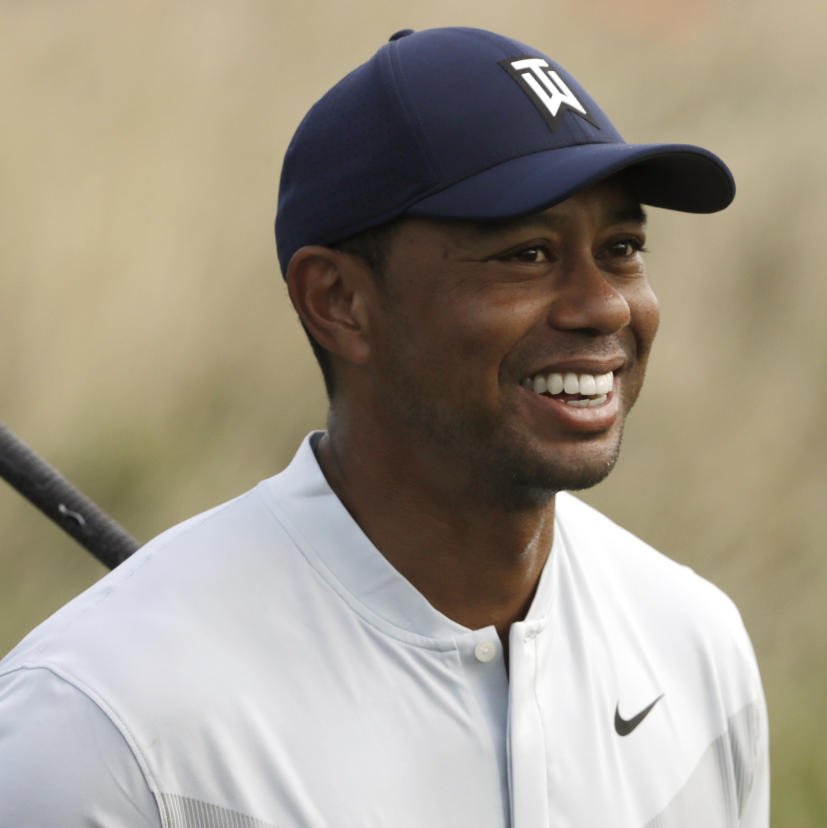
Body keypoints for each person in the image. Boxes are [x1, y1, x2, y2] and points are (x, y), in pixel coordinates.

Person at [0, 26, 768, 827]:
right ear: (338, 301)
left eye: (621, 248)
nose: (605, 305)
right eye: (527, 254)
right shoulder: (100, 735)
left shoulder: (693, 645)